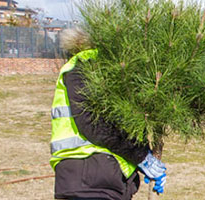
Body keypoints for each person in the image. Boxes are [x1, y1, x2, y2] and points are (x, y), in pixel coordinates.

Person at [49, 28, 167, 199]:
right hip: (88, 179)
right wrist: (141, 157)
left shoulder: (119, 73)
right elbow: (92, 124)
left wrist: (145, 157)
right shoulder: (86, 65)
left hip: (104, 181)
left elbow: (123, 125)